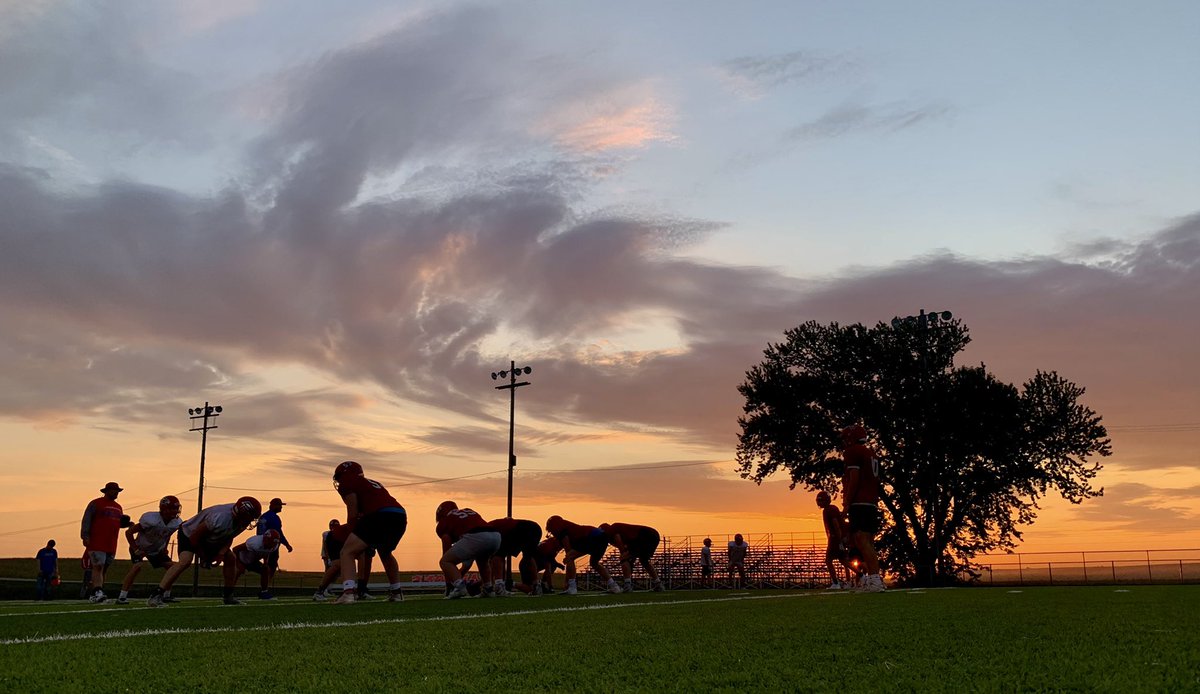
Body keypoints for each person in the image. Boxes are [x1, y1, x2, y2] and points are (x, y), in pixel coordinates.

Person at [146, 496, 262, 607]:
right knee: (185, 561)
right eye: (251, 517)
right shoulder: (220, 517)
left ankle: (228, 596)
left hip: (210, 538)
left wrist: (221, 554)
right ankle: (157, 594)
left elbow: (229, 536)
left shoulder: (241, 520)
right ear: (243, 513)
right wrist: (204, 557)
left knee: (231, 558)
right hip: (189, 533)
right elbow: (195, 537)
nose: (251, 521)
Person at [331, 461, 408, 604]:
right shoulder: (371, 483)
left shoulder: (347, 483)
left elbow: (353, 512)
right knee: (385, 552)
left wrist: (351, 530)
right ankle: (397, 592)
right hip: (399, 515)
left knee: (346, 552)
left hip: (379, 515)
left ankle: (348, 593)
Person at [841, 424, 885, 592]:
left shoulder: (853, 452)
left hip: (860, 501)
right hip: (871, 501)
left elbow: (854, 479)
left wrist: (846, 504)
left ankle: (874, 580)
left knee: (861, 539)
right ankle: (873, 578)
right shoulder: (871, 453)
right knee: (867, 542)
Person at [116, 495, 183, 604]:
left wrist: (165, 548)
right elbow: (129, 532)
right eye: (171, 508)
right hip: (140, 547)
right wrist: (135, 549)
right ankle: (122, 596)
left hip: (156, 549)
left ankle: (166, 595)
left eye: (176, 508)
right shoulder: (151, 519)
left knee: (173, 568)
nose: (174, 511)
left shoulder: (175, 523)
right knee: (137, 567)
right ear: (163, 509)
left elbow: (167, 534)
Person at [435, 501, 501, 599]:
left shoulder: (444, 522)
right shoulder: (468, 511)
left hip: (476, 536)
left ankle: (459, 587)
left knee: (445, 561)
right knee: (483, 561)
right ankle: (488, 589)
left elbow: (446, 547)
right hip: (496, 536)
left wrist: (449, 582)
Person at [545, 515, 621, 595]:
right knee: (594, 563)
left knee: (569, 557)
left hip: (592, 537)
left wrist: (567, 582)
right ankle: (614, 586)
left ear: (555, 528)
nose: (552, 533)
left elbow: (569, 555)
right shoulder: (568, 528)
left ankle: (572, 587)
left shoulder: (562, 531)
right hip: (602, 537)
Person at [81, 481, 125, 603]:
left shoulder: (118, 507)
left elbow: (116, 523)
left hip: (111, 543)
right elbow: (86, 519)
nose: (116, 493)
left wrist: (126, 523)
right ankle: (97, 591)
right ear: (106, 491)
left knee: (104, 568)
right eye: (114, 490)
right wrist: (85, 535)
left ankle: (96, 592)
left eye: (117, 491)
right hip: (97, 541)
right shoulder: (96, 503)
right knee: (98, 566)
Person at [486, 517, 543, 595]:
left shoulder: (486, 532)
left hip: (518, 528)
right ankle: (537, 585)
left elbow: (493, 559)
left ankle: (499, 585)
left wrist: (491, 583)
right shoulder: (490, 527)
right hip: (535, 528)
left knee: (498, 555)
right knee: (528, 556)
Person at [600, 522, 664, 592]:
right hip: (652, 535)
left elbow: (620, 543)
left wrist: (624, 555)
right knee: (644, 561)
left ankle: (627, 585)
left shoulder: (612, 530)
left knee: (624, 558)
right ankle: (658, 584)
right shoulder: (620, 530)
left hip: (643, 536)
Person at [255, 497, 294, 600]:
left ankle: (264, 589)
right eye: (280, 505)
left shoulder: (263, 517)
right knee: (270, 567)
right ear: (274, 505)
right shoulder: (274, 518)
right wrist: (287, 544)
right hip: (271, 546)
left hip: (260, 544)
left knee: (266, 567)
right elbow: (278, 533)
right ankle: (265, 590)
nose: (281, 507)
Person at [231, 529, 283, 600]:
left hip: (253, 561)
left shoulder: (274, 546)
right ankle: (229, 592)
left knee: (266, 569)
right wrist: (238, 563)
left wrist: (265, 563)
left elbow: (266, 552)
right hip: (242, 559)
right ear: (265, 539)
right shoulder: (254, 543)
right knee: (237, 571)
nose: (270, 546)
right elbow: (235, 549)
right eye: (269, 543)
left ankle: (264, 592)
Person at [816, 491, 853, 590]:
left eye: (820, 500)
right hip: (837, 538)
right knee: (843, 561)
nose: (818, 502)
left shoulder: (828, 510)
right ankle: (861, 575)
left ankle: (835, 583)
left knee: (828, 561)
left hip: (835, 539)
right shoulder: (833, 508)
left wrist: (839, 539)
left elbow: (836, 524)